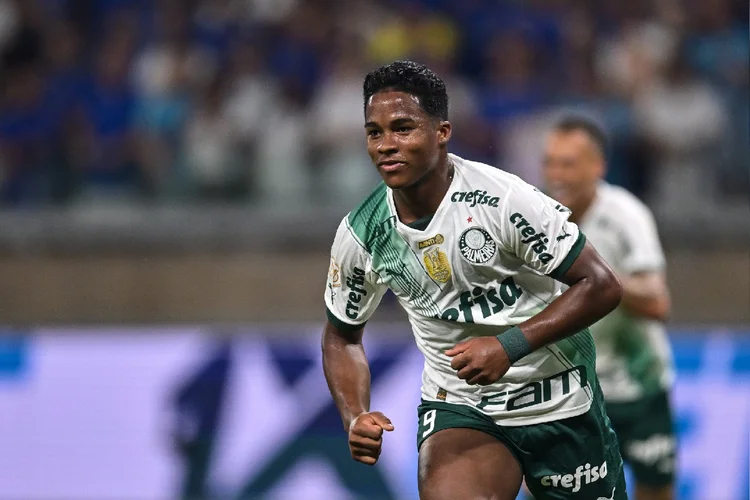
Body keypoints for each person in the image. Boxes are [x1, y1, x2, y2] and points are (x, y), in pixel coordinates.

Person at [321, 60, 627, 500]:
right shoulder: (363, 233)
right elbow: (341, 337)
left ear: (441, 132)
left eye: (403, 128)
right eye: (375, 132)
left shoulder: (503, 200)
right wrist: (355, 414)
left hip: (559, 399)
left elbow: (601, 285)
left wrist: (509, 345)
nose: (386, 145)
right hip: (461, 406)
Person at [542, 116, 677, 500]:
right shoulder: (536, 217)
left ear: (598, 166)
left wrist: (596, 277)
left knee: (655, 490)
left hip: (637, 385)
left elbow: (656, 302)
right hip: (568, 389)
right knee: (547, 491)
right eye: (549, 162)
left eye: (568, 163)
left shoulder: (625, 216)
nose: (556, 174)